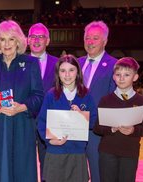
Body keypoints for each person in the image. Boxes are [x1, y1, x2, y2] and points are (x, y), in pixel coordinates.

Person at [0, 20, 44, 182]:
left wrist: (21, 107)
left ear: (18, 41)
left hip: (21, 125)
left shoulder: (31, 63)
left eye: (11, 39)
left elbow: (38, 95)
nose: (6, 44)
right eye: (2, 39)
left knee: (21, 171)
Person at [37, 54, 97, 182]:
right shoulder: (51, 95)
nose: (67, 75)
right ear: (58, 74)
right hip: (55, 152)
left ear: (78, 72)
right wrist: (50, 141)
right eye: (63, 71)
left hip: (77, 152)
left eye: (71, 70)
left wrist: (82, 116)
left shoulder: (86, 94)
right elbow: (41, 122)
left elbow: (94, 121)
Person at [93, 57, 143, 182]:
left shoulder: (142, 101)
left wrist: (134, 130)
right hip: (107, 152)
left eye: (126, 75)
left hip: (130, 152)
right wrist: (111, 128)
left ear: (135, 77)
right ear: (114, 77)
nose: (121, 78)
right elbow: (97, 128)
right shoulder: (105, 100)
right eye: (118, 74)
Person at [78, 20, 117, 182]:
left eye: (95, 38)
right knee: (74, 174)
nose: (90, 42)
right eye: (87, 38)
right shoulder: (75, 63)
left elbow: (114, 101)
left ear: (105, 41)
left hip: (97, 133)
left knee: (98, 175)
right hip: (73, 130)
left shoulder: (115, 66)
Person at [27, 22, 58, 182]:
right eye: (33, 36)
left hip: (49, 124)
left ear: (48, 40)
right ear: (27, 40)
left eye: (41, 36)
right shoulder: (20, 63)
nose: (37, 40)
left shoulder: (58, 64)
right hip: (24, 121)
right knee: (25, 165)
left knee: (48, 166)